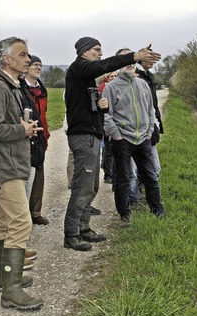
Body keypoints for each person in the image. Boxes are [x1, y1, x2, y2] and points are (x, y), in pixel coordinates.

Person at [63, 37, 161, 251]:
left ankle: (84, 227)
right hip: (83, 136)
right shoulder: (80, 67)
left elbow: (86, 106)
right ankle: (71, 234)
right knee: (82, 186)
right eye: (97, 50)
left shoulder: (86, 77)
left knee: (92, 185)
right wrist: (134, 56)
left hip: (92, 134)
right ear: (84, 52)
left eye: (100, 50)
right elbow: (103, 66)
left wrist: (100, 106)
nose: (100, 53)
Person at [0, 37, 43, 310]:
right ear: (6, 59)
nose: (28, 59)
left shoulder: (10, 86)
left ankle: (2, 280)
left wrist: (21, 126)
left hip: (6, 166)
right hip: (4, 169)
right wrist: (22, 131)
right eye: (22, 54)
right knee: (21, 223)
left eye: (27, 55)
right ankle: (11, 290)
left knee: (2, 223)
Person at [103, 48, 165, 222]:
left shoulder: (143, 84)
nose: (129, 64)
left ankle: (157, 210)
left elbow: (150, 110)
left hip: (143, 138)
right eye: (125, 60)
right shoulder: (111, 87)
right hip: (122, 139)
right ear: (118, 64)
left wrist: (149, 131)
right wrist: (116, 135)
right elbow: (107, 115)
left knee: (151, 176)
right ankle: (124, 214)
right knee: (123, 179)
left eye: (131, 60)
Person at [19, 55, 50, 226]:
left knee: (39, 176)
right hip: (26, 137)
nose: (38, 68)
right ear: (27, 68)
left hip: (41, 139)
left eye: (40, 65)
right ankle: (23, 215)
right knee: (26, 177)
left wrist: (46, 136)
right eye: (35, 65)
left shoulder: (42, 91)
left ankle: (35, 212)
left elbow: (44, 115)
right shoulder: (22, 89)